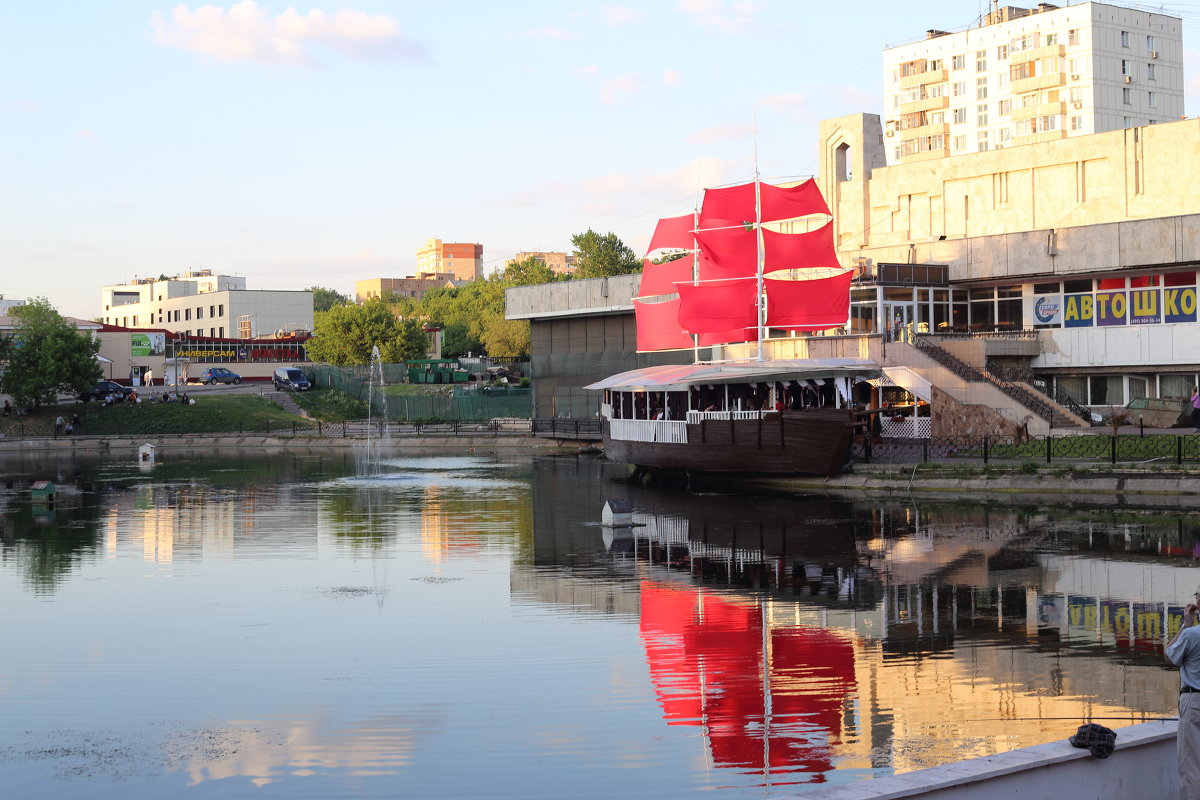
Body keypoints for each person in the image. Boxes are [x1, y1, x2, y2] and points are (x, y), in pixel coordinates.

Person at [1166, 588, 1200, 798]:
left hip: (1194, 701)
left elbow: (1169, 654)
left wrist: (1185, 626)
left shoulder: (1191, 634)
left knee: (1190, 766)